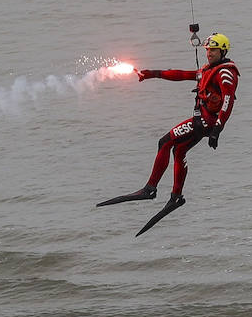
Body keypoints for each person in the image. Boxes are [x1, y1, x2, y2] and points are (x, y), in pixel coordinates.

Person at [97, 33, 239, 212]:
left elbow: (228, 100)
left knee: (164, 142)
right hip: (202, 122)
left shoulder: (225, 73)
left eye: (214, 50)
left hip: (204, 122)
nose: (209, 53)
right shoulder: (208, 70)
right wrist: (153, 74)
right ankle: (176, 197)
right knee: (179, 151)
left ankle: (150, 189)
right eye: (208, 50)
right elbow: (182, 74)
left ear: (223, 51)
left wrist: (218, 128)